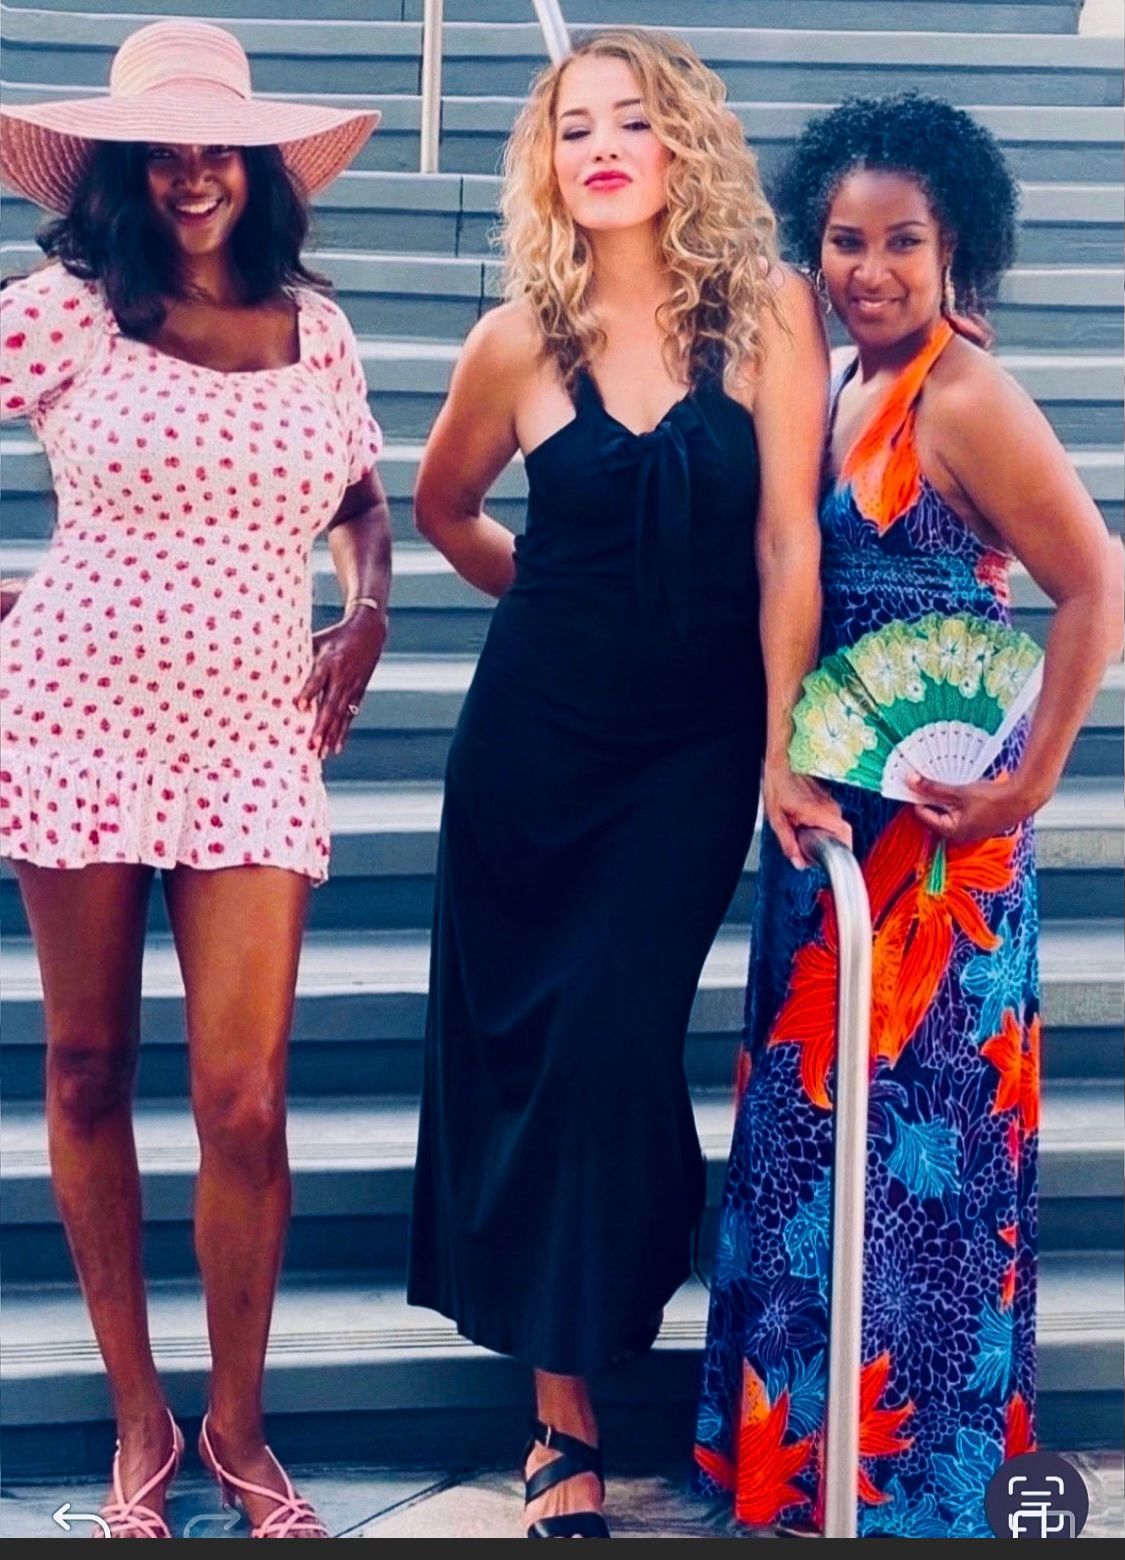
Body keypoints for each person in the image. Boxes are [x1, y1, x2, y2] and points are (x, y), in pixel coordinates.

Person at [406, 28, 846, 1539]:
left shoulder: (771, 311)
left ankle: (619, 1284)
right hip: (531, 751)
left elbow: (787, 540)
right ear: (546, 162)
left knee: (609, 1038)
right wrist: (555, 599)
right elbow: (444, 506)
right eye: (573, 126)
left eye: (631, 120)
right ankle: (562, 1418)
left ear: (682, 145)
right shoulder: (515, 339)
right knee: (546, 1060)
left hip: (692, 750)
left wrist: (782, 741)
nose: (600, 147)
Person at [694, 91, 1119, 1539]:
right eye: (844, 241)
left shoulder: (965, 396)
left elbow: (1096, 583)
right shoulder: (827, 385)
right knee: (814, 1136)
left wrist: (1033, 778)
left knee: (927, 1160)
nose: (868, 269)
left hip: (941, 848)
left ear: (955, 251)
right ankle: (802, 1467)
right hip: (826, 819)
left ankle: (922, 1488)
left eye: (902, 243)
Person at [0, 20, 390, 1539]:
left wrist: (369, 606)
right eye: (159, 150)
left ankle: (239, 1425)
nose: (190, 172)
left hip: (252, 734)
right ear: (120, 170)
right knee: (88, 1066)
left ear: (258, 164)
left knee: (245, 1097)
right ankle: (137, 1425)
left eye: (215, 145)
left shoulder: (318, 328)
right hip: (77, 714)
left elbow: (360, 494)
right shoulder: (63, 310)